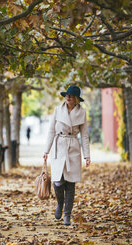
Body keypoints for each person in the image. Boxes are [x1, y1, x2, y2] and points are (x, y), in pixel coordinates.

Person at [43, 85, 91, 225]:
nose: (68, 97)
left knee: (70, 183)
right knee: (58, 181)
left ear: (76, 99)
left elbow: (85, 136)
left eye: (71, 95)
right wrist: (46, 151)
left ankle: (67, 215)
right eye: (67, 95)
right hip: (59, 146)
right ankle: (60, 203)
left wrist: (87, 156)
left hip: (73, 148)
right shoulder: (58, 110)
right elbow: (51, 131)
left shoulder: (81, 113)